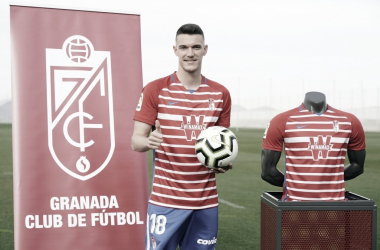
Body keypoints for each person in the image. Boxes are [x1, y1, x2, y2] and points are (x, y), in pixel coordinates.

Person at [131, 23, 232, 250]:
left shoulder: (220, 94)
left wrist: (222, 163)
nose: (190, 53)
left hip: (205, 203)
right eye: (184, 47)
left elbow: (223, 141)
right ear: (175, 50)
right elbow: (135, 141)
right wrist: (149, 141)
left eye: (196, 47)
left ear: (205, 49)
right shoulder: (155, 89)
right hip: (165, 201)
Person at [261, 91, 366, 201]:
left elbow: (357, 166)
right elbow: (267, 172)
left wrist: (322, 182)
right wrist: (298, 185)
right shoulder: (281, 121)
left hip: (336, 207)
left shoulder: (350, 121)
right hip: (293, 207)